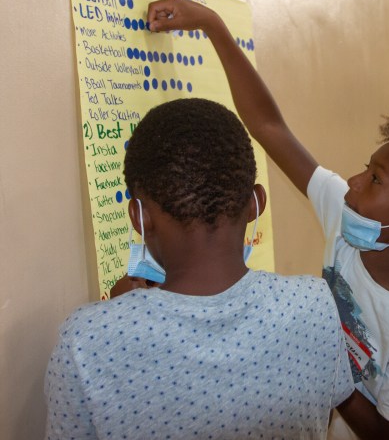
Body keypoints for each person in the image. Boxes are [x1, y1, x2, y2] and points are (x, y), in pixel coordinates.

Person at [146, 0, 389, 439]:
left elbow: (387, 435)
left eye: (375, 179)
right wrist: (213, 25)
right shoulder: (349, 217)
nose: (353, 181)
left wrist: (321, 353)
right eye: (366, 168)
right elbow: (268, 127)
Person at [44, 98, 354, 439]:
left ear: (139, 217)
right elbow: (318, 416)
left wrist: (119, 319)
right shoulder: (315, 304)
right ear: (255, 204)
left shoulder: (86, 342)